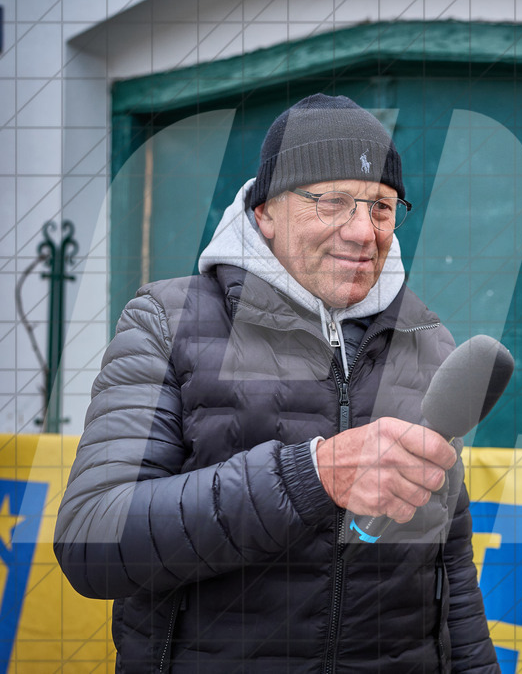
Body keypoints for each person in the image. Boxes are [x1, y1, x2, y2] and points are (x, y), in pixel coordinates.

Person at [55, 94, 499, 672]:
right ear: (264, 212)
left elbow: (450, 565)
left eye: (382, 207)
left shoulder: (427, 339)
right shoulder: (167, 322)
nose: (364, 231)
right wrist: (308, 476)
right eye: (333, 202)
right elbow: (93, 540)